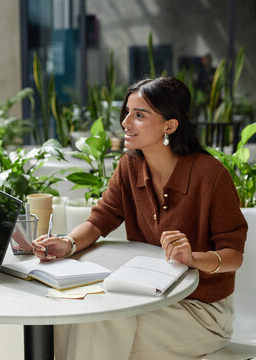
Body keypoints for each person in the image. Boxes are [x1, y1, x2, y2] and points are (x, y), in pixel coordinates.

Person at [32, 77, 248, 359]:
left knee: (101, 324)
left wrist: (193, 258)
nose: (126, 122)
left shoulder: (211, 175)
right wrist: (68, 243)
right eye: (127, 113)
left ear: (169, 126)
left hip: (201, 311)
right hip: (146, 298)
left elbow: (233, 255)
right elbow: (101, 219)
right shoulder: (129, 166)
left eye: (140, 115)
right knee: (67, 321)